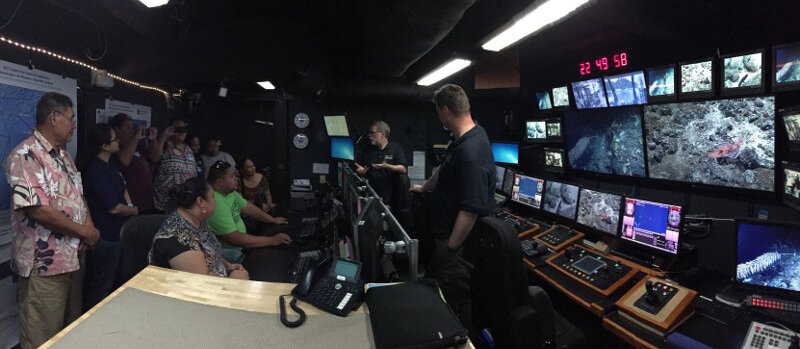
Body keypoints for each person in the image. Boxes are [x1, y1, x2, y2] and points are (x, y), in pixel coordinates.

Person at [5, 92, 101, 349]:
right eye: (71, 118)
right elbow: (37, 210)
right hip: (44, 267)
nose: (74, 124)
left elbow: (79, 198)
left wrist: (88, 229)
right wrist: (84, 231)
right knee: (41, 338)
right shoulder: (25, 155)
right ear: (53, 117)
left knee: (69, 333)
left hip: (71, 261)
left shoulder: (64, 157)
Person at [412, 84, 495, 307]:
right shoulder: (465, 138)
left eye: (439, 112)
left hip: (458, 247)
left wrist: (450, 248)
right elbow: (444, 168)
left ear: (446, 111)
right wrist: (424, 188)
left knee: (452, 301)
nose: (439, 117)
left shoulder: (471, 153)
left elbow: (471, 209)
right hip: (446, 238)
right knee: (434, 286)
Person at [82, 123, 139, 309]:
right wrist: (134, 210)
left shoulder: (111, 164)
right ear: (104, 146)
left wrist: (130, 206)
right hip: (106, 237)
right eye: (114, 139)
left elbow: (124, 189)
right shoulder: (96, 170)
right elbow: (114, 208)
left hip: (119, 233)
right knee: (102, 286)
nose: (119, 142)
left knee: (115, 282)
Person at [149, 177, 249, 279]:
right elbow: (201, 283)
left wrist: (229, 266)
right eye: (213, 197)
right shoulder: (178, 239)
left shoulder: (196, 219)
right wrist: (234, 280)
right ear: (200, 201)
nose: (216, 201)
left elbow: (210, 251)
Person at [206, 161, 290, 263]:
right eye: (232, 177)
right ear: (219, 182)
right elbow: (235, 238)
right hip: (231, 252)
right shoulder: (215, 203)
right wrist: (272, 240)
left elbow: (249, 208)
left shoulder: (229, 192)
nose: (236, 179)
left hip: (241, 246)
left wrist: (272, 220)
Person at [108, 113, 156, 214]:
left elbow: (156, 157)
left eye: (132, 127)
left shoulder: (137, 146)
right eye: (128, 128)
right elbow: (123, 161)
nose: (132, 131)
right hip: (131, 205)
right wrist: (136, 137)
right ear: (117, 129)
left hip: (147, 202)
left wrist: (153, 139)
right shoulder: (114, 147)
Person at [355, 121, 408, 204]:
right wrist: (362, 172)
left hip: (389, 196)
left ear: (382, 134)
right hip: (370, 194)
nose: (369, 135)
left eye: (372, 132)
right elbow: (361, 168)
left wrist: (387, 166)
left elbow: (403, 169)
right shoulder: (368, 149)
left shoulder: (396, 148)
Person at [152, 117, 196, 212]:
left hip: (185, 204)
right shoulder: (164, 145)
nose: (181, 132)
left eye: (183, 129)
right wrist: (164, 135)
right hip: (165, 203)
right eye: (177, 129)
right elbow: (155, 157)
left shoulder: (189, 150)